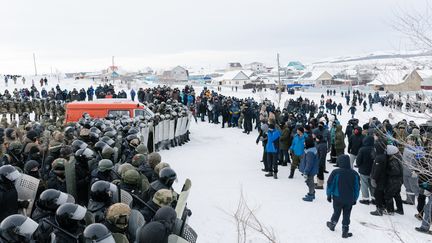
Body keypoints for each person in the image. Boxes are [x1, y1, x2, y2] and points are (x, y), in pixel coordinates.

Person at [326, 154, 360, 239]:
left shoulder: (336, 172)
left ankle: (332, 224)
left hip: (337, 197)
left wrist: (329, 194)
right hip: (349, 199)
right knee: (347, 214)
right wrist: (355, 198)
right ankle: (345, 230)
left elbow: (330, 184)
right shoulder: (355, 174)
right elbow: (357, 188)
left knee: (336, 211)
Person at [355, 135, 375, 205]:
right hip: (373, 170)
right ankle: (374, 198)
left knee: (364, 185)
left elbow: (358, 161)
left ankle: (365, 199)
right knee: (372, 185)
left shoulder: (362, 149)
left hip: (364, 170)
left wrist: (359, 165)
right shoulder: (375, 149)